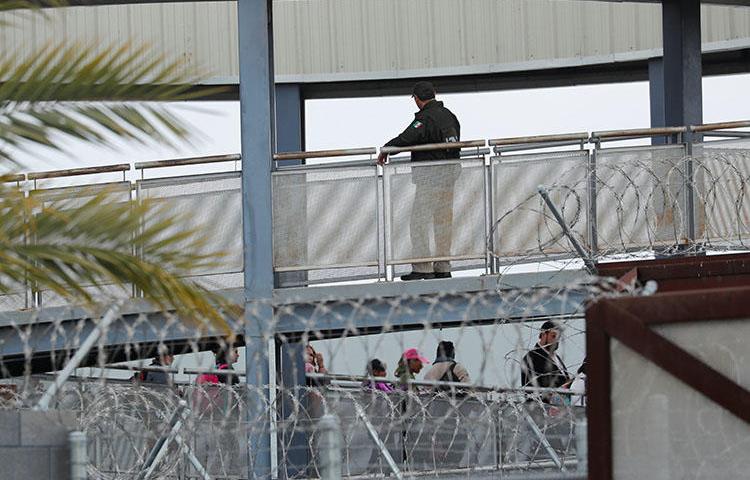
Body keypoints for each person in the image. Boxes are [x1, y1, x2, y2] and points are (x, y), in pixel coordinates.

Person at [377, 81, 461, 281]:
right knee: (443, 223)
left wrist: (386, 149)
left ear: (416, 99)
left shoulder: (425, 118)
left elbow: (408, 137)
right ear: (435, 94)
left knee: (419, 222)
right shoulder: (450, 116)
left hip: (430, 179)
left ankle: (422, 268)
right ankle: (443, 266)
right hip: (449, 178)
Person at [520, 321, 571, 391]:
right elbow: (530, 390)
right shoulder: (531, 358)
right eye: (553, 336)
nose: (556, 340)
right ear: (543, 335)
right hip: (544, 401)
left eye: (559, 337)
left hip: (564, 400)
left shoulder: (556, 357)